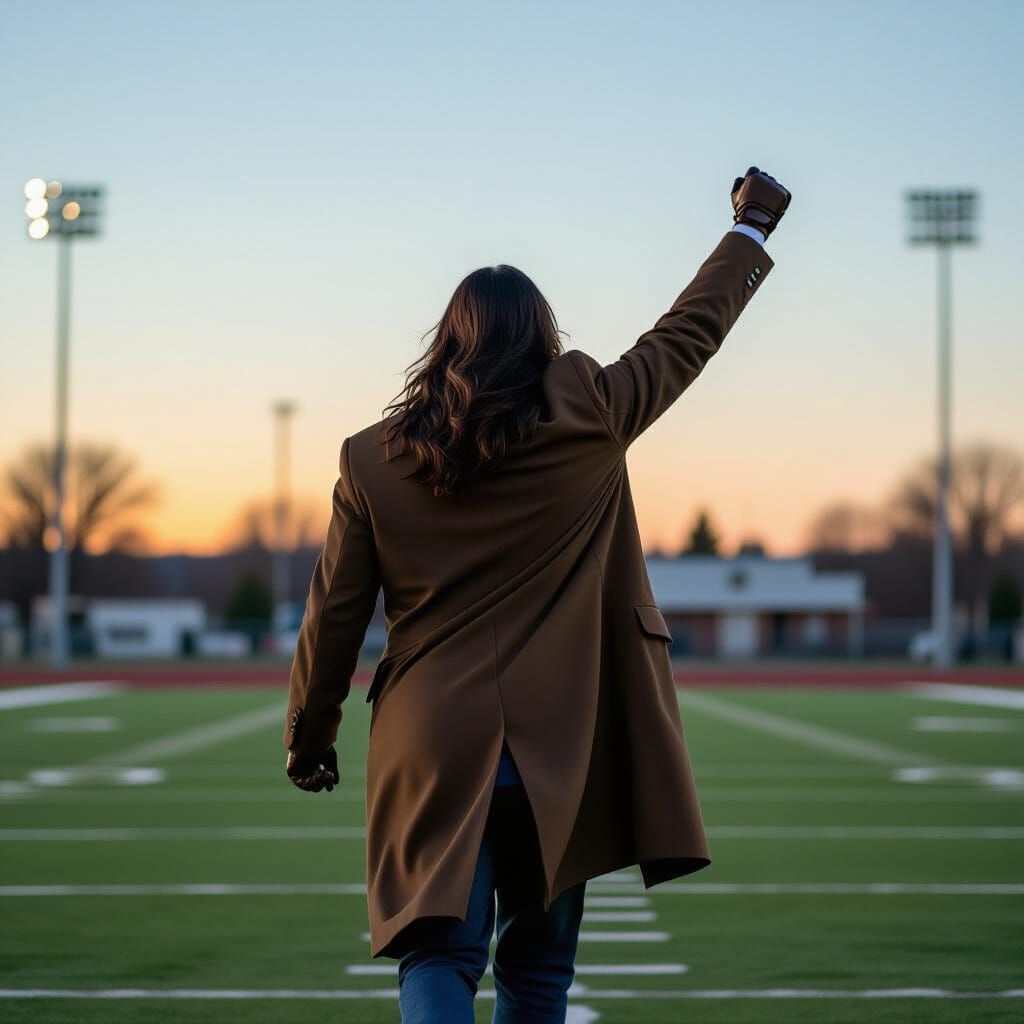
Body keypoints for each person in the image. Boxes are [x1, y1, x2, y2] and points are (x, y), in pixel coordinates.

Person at [283, 166, 792, 1023]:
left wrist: (311, 734)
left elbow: (333, 614)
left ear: (446, 338)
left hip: (431, 738)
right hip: (561, 741)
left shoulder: (370, 457)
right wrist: (752, 229)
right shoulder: (589, 408)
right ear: (543, 336)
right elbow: (687, 334)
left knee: (438, 955)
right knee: (539, 972)